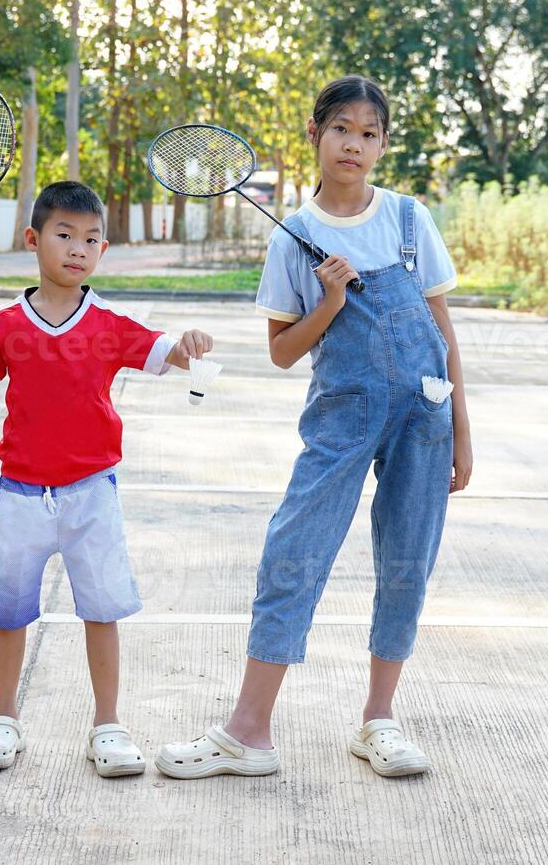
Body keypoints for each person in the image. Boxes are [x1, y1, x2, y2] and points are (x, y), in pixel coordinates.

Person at [156, 75, 473, 780]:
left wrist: (463, 430)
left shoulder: (411, 220)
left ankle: (379, 721)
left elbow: (443, 332)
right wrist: (330, 299)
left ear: (383, 144)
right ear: (314, 134)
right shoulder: (295, 235)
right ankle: (249, 733)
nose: (354, 144)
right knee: (292, 552)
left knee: (406, 562)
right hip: (341, 414)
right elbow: (281, 351)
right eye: (341, 129)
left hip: (425, 414)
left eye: (369, 133)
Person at [0, 180, 214, 778]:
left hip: (91, 494)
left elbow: (171, 353)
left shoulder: (108, 324)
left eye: (92, 239)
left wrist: (192, 344)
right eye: (65, 235)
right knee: (11, 611)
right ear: (34, 239)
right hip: (21, 492)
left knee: (101, 611)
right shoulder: (6, 326)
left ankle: (108, 725)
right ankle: (2, 719)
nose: (78, 249)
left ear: (103, 250)